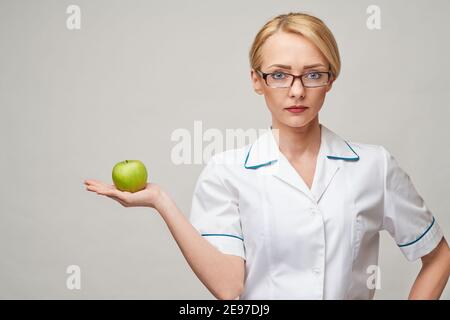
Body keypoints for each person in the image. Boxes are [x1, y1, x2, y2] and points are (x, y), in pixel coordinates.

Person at [84, 12, 450, 299]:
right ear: (256, 80)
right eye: (278, 75)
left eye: (313, 74)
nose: (296, 91)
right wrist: (161, 200)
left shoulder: (375, 167)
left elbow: (438, 256)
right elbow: (229, 287)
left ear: (331, 79)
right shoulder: (227, 173)